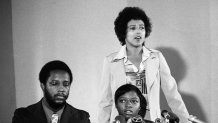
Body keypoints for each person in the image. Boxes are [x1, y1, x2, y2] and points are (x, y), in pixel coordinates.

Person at [98, 7, 190, 123]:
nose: (138, 32)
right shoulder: (111, 61)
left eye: (142, 28)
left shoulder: (156, 57)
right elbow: (105, 102)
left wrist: (186, 121)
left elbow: (173, 95)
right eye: (132, 28)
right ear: (123, 32)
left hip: (151, 119)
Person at [12, 60, 90, 123]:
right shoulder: (23, 116)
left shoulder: (82, 118)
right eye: (54, 83)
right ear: (43, 86)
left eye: (66, 84)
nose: (61, 89)